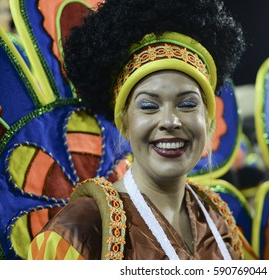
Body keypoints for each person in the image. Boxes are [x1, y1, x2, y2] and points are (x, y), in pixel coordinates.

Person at [27, 0, 246, 260]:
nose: (171, 121)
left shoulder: (217, 219)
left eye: (187, 104)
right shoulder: (81, 231)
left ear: (207, 119)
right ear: (125, 121)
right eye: (149, 106)